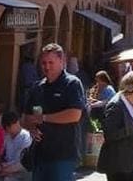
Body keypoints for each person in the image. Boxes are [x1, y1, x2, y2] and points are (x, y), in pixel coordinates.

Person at [22, 43, 86, 181]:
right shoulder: (37, 87)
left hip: (63, 155)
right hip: (40, 154)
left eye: (51, 62)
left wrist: (44, 117)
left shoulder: (72, 83)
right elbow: (27, 117)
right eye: (44, 62)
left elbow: (74, 114)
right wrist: (31, 128)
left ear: (62, 62)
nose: (47, 66)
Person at [97, 70, 133, 181]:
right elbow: (110, 134)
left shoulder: (130, 101)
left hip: (130, 160)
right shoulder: (116, 104)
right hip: (118, 163)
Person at [0, 111, 32, 180]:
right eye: (6, 127)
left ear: (17, 122)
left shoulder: (26, 137)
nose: (8, 129)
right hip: (4, 167)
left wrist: (6, 170)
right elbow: (1, 155)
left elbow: (22, 163)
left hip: (20, 171)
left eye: (10, 126)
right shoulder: (7, 136)